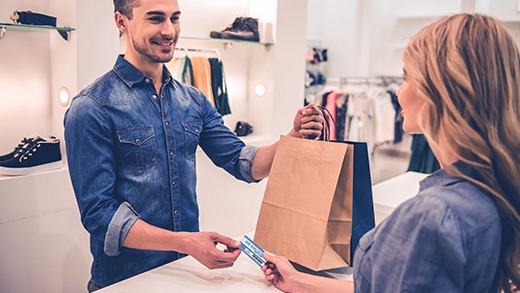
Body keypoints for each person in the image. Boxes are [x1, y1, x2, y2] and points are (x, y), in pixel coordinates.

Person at [63, 0, 324, 291]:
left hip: (184, 274)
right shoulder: (91, 107)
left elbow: (243, 163)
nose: (169, 30)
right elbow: (100, 215)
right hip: (125, 281)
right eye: (155, 19)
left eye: (175, 18)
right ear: (121, 22)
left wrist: (293, 137)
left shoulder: (193, 101)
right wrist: (187, 242)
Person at [262, 13, 520, 293]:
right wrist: (301, 281)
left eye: (407, 77)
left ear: (441, 91)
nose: (398, 92)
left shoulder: (432, 218)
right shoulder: (491, 189)